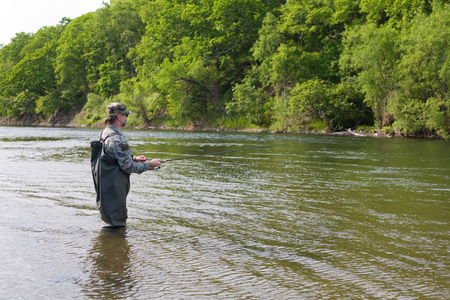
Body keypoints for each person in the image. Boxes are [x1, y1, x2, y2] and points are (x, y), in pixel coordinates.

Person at [93, 102, 161, 227]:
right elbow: (128, 167)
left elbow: (111, 156)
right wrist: (150, 164)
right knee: (116, 227)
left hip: (107, 190)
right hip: (113, 192)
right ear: (119, 117)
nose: (126, 118)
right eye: (126, 115)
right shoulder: (116, 138)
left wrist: (134, 158)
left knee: (110, 225)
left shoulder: (105, 132)